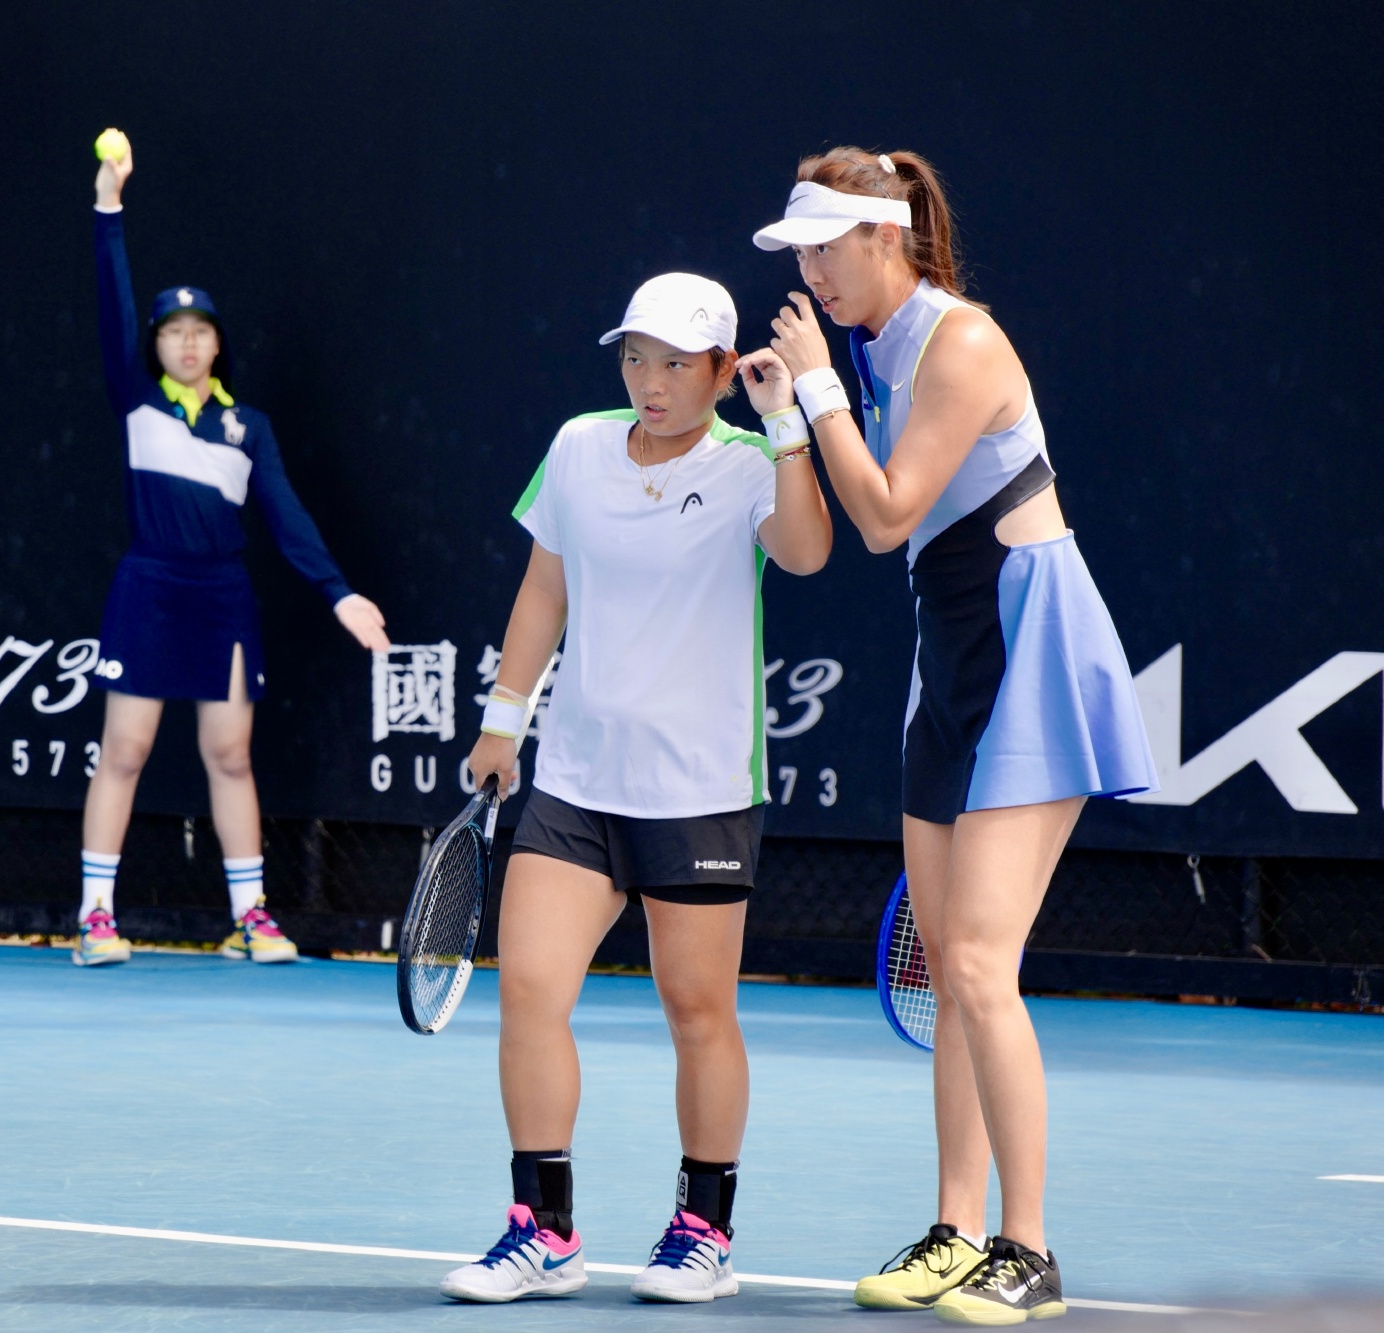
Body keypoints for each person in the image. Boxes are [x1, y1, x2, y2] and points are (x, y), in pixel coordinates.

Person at [746, 148, 1156, 1325]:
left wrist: (815, 390)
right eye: (798, 255)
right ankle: (953, 1229)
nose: (810, 273)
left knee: (979, 962)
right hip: (949, 650)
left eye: (823, 248)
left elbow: (882, 517)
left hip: (1030, 643)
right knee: (942, 958)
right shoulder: (869, 348)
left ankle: (1027, 1250)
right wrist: (788, 413)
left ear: (884, 236)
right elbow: (858, 521)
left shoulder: (958, 341)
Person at [437, 274, 832, 1304]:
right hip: (575, 781)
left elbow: (805, 553)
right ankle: (544, 1230)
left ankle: (704, 1231)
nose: (650, 382)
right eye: (634, 359)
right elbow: (545, 586)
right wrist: (502, 719)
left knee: (697, 1010)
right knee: (528, 991)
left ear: (721, 369)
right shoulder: (577, 447)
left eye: (674, 364)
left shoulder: (750, 463)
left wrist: (786, 422)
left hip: (699, 787)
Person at [74, 132, 390, 968]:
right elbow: (112, 303)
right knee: (125, 750)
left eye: (200, 330)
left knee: (229, 753)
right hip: (148, 589)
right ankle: (95, 917)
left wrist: (338, 592)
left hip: (222, 597)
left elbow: (286, 514)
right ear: (155, 346)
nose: (187, 342)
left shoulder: (250, 428)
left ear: (218, 344)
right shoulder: (136, 402)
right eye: (172, 331)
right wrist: (109, 205)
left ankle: (251, 917)